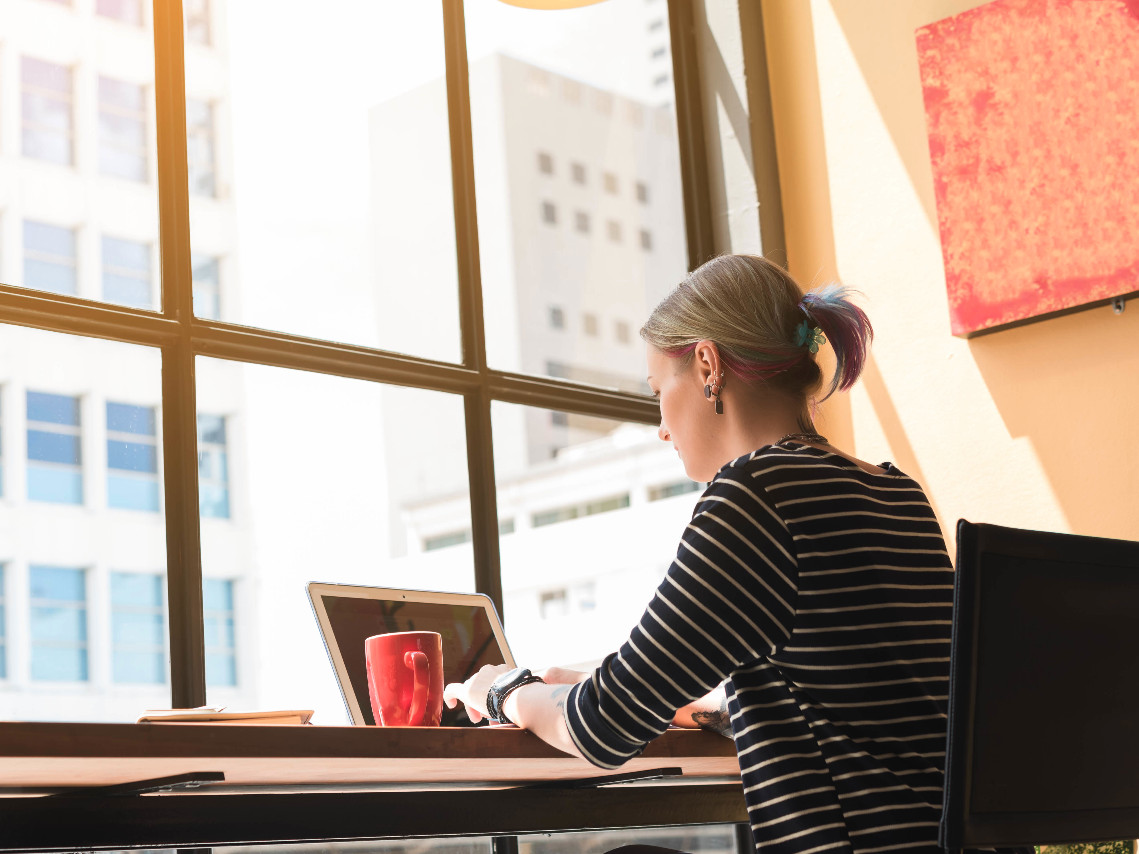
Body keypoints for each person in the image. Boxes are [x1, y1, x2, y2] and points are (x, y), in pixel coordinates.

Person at [444, 253, 958, 854]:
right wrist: (683, 703)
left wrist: (503, 690)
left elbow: (600, 726)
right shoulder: (896, 492)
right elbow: (863, 700)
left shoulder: (757, 495)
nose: (661, 426)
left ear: (708, 365)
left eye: (659, 390)